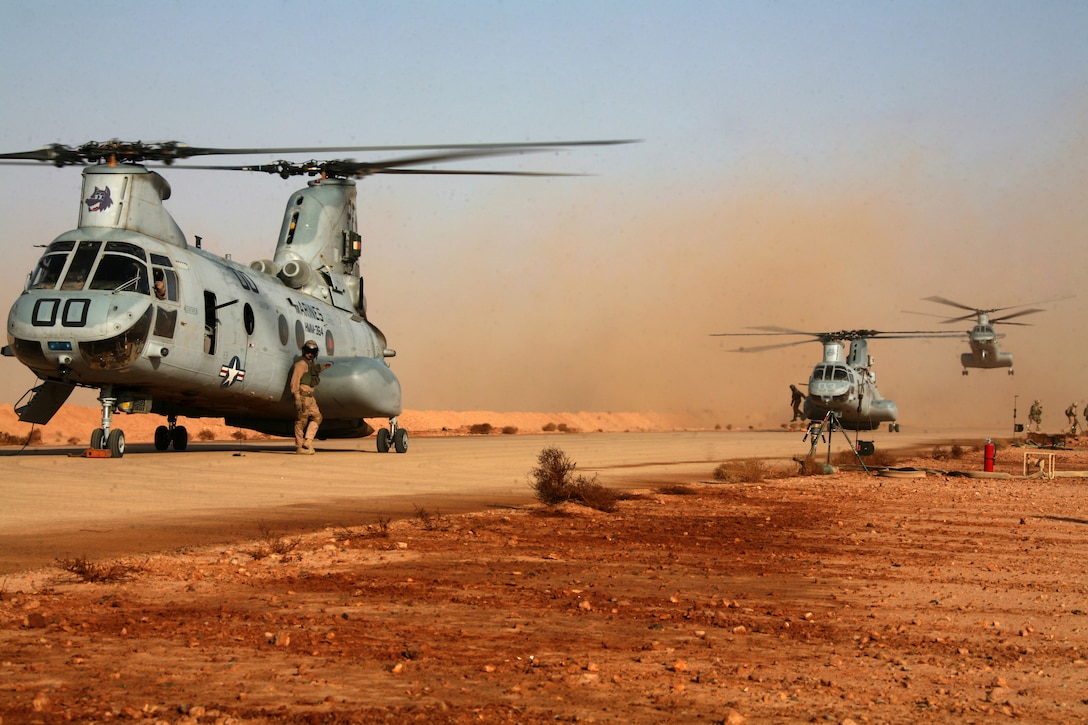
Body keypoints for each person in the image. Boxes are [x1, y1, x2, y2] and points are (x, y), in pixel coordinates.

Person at [289, 340, 329, 454]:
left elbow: (313, 370)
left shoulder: (310, 363)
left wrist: (324, 366)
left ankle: (308, 441)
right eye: (307, 351)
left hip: (310, 397)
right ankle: (300, 447)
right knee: (301, 421)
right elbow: (295, 381)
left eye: (312, 352)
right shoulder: (301, 364)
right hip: (303, 396)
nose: (309, 354)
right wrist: (297, 397)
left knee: (317, 417)